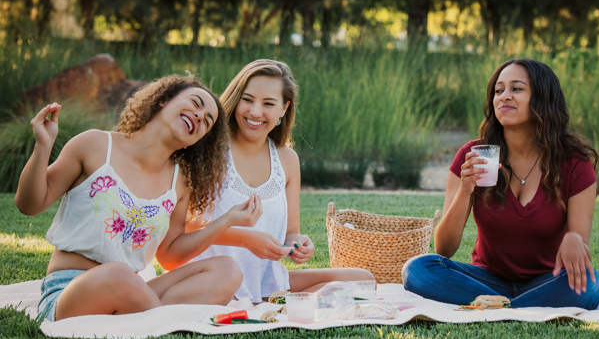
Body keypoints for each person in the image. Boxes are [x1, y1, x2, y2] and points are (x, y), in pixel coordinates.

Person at [15, 74, 263, 322]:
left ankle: (147, 318)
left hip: (133, 291)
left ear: (197, 141)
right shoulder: (94, 145)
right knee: (119, 275)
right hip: (69, 292)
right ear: (164, 100)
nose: (200, 117)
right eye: (196, 103)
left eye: (207, 122)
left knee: (228, 271)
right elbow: (29, 204)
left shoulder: (179, 182)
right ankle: (160, 322)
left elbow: (169, 255)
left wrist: (227, 220)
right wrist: (43, 147)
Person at [402, 59, 599, 309]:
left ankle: (500, 306)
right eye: (499, 90)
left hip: (548, 280)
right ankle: (518, 306)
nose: (504, 97)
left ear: (542, 98)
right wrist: (465, 191)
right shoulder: (473, 155)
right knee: (418, 269)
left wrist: (576, 240)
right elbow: (443, 248)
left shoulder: (573, 162)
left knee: (593, 283)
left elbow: (580, 253)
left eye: (516, 89)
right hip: (485, 280)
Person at [190, 59, 374, 302]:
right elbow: (186, 229)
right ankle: (283, 304)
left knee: (363, 279)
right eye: (247, 99)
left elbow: (291, 233)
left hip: (268, 282)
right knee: (336, 296)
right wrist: (245, 239)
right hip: (215, 279)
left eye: (268, 103)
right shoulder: (209, 150)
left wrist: (299, 244)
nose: (256, 111)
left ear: (284, 109)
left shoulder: (287, 160)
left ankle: (277, 302)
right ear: (236, 99)